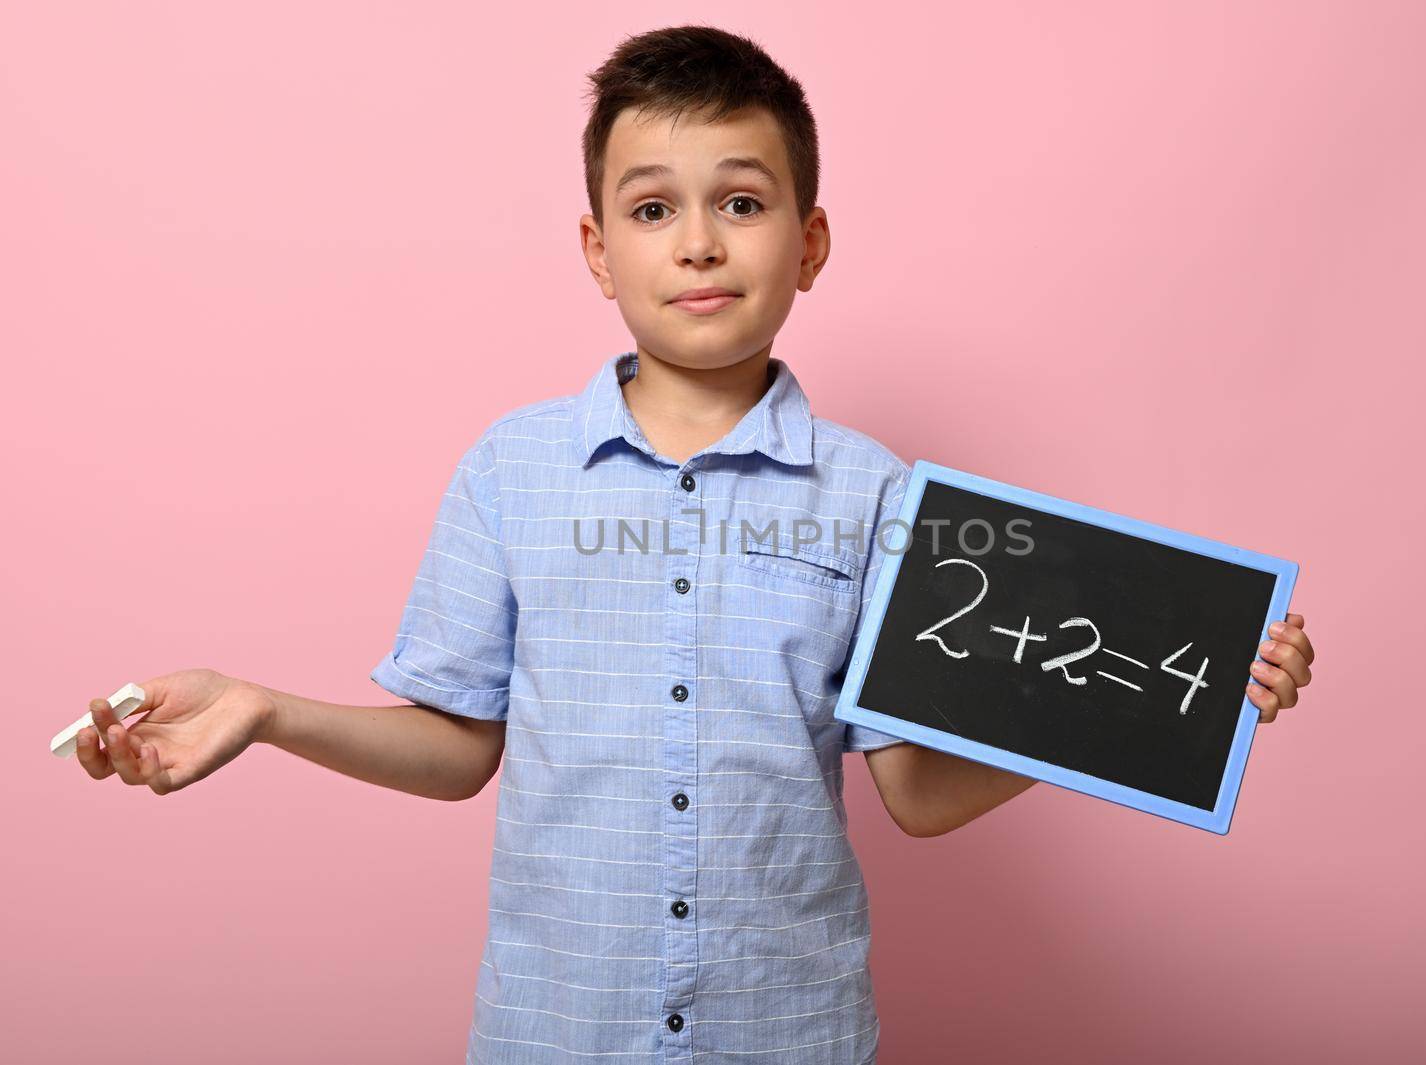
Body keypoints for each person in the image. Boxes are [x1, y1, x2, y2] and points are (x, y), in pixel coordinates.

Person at [73, 24, 1316, 1063]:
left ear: (809, 242)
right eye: (653, 207)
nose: (700, 242)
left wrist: (1175, 704)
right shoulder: (512, 470)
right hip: (556, 1036)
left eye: (742, 200)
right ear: (596, 250)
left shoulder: (883, 501)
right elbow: (460, 750)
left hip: (792, 1031)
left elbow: (917, 794)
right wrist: (266, 710)